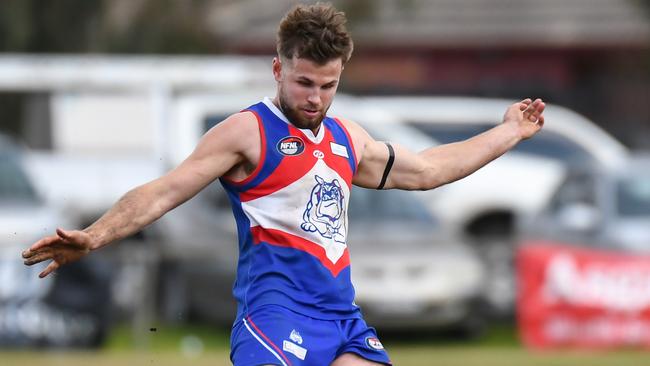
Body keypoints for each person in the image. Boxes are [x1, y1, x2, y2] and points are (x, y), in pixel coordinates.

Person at [22, 2, 545, 365]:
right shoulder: (247, 132)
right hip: (273, 319)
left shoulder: (347, 138)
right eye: (304, 82)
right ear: (278, 69)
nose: (316, 97)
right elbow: (164, 190)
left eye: (328, 85)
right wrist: (95, 235)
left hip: (342, 320)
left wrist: (508, 131)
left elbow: (430, 170)